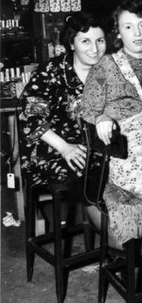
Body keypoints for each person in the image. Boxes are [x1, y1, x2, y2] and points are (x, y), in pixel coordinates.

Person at [80, 0, 142, 250]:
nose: (137, 33)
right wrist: (102, 118)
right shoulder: (106, 66)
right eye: (129, 27)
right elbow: (87, 109)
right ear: (118, 32)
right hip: (129, 153)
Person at [19, 11, 107, 187]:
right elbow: (31, 119)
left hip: (95, 149)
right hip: (54, 149)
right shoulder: (51, 71)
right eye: (85, 41)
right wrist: (64, 147)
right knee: (91, 178)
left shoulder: (108, 71)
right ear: (71, 44)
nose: (95, 49)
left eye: (100, 40)